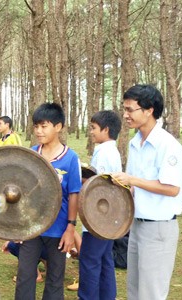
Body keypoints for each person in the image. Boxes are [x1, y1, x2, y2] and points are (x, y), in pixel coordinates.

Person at [111, 84, 182, 300]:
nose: (125, 115)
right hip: (136, 225)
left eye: (130, 110)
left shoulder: (168, 146)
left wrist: (132, 179)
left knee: (151, 293)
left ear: (149, 110)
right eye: (124, 109)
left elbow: (172, 188)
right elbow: (136, 186)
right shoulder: (136, 143)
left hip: (158, 229)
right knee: (135, 290)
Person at [15, 103, 81, 300]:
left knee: (54, 278)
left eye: (44, 126)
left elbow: (74, 194)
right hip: (31, 227)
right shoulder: (32, 153)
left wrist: (70, 228)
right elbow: (23, 192)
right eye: (36, 126)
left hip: (58, 229)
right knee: (25, 275)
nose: (39, 131)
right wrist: (18, 226)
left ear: (58, 127)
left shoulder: (70, 158)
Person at [78, 110, 121, 300]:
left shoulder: (104, 152)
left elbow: (98, 186)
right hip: (110, 218)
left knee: (89, 262)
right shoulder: (112, 150)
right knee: (105, 261)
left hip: (98, 218)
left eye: (94, 128)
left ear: (106, 129)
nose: (91, 132)